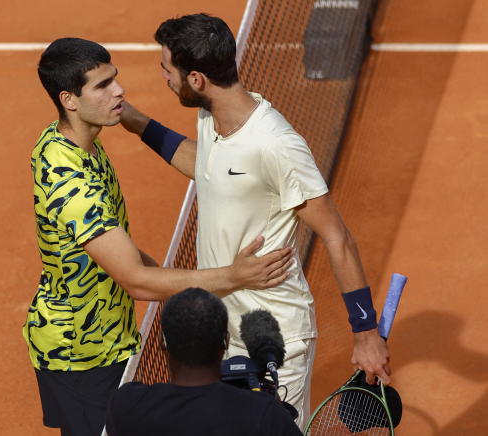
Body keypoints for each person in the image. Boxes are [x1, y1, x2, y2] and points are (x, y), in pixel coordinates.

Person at [119, 14, 391, 430]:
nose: (162, 77)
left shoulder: (276, 145)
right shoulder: (212, 115)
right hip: (221, 331)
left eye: (166, 69)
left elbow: (338, 237)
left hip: (274, 337)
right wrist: (134, 120)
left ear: (196, 79)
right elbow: (208, 166)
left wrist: (366, 334)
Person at [23, 37, 295, 436]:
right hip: (81, 355)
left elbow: (124, 255)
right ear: (69, 100)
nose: (120, 90)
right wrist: (232, 277)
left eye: (114, 78)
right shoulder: (71, 184)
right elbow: (135, 280)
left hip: (104, 337)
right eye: (102, 86)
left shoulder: (72, 144)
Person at [105, 287, 303, 436]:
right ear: (225, 341)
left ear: (162, 342)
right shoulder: (264, 414)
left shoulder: (125, 406)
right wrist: (274, 407)